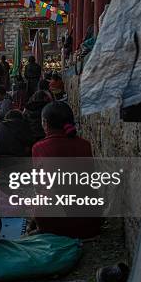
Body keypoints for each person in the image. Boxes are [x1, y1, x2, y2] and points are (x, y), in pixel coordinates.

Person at [31, 102, 101, 239]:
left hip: (57, 224)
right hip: (90, 222)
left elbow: (39, 187)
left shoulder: (39, 148)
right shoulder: (85, 145)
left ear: (45, 123)